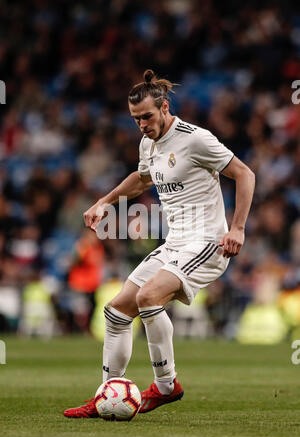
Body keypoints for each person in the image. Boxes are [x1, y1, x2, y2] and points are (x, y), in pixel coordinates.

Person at [63, 70, 255, 418]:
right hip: (176, 243)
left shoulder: (195, 139)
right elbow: (141, 179)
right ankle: (107, 392)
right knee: (116, 310)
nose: (142, 124)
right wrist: (106, 201)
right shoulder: (147, 144)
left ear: (165, 107)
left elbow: (245, 173)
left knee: (148, 297)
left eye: (147, 116)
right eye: (136, 119)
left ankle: (166, 386)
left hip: (208, 242)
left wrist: (238, 228)